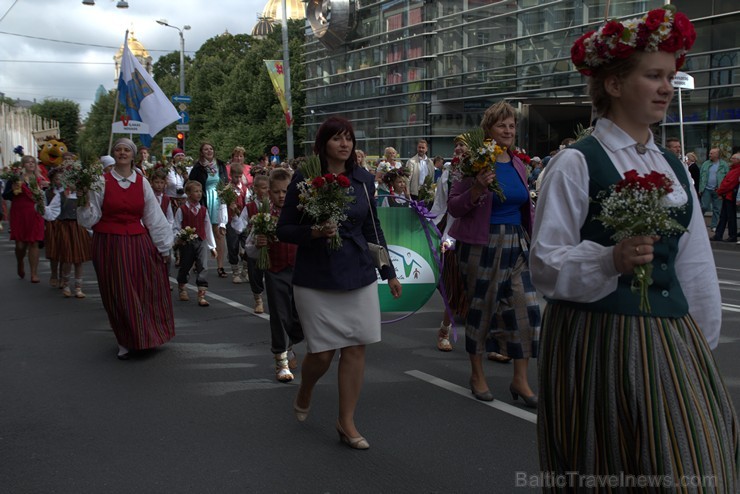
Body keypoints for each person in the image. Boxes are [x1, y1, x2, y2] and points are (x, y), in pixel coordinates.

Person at [530, 7, 738, 489]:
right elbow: (545, 264)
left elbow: (696, 264)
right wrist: (609, 258)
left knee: (698, 466)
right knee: (610, 465)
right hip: (597, 338)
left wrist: (700, 346)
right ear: (615, 84)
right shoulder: (575, 164)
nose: (667, 86)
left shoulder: (672, 166)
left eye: (670, 75)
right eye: (653, 75)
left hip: (670, 338)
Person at [277, 116, 401, 450]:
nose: (344, 144)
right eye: (336, 138)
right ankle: (306, 388)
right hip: (316, 275)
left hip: (357, 270)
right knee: (322, 354)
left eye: (348, 138)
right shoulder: (305, 177)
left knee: (357, 346)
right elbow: (283, 228)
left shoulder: (363, 180)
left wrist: (388, 271)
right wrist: (314, 232)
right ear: (323, 143)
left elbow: (372, 227)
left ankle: (345, 421)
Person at [447, 101, 539, 407]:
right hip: (482, 243)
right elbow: (454, 206)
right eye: (502, 125)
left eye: (512, 125)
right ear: (489, 130)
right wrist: (475, 189)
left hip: (517, 241)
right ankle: (477, 374)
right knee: (482, 308)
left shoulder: (518, 164)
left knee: (526, 310)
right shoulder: (472, 163)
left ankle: (520, 380)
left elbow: (525, 204)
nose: (509, 130)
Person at [77, 138, 175, 360]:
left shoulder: (142, 182)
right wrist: (84, 201)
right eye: (118, 149)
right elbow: (89, 219)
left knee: (144, 289)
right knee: (118, 294)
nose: (122, 153)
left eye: (126, 150)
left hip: (137, 242)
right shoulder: (100, 182)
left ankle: (146, 336)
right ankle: (124, 339)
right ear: (114, 154)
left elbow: (153, 216)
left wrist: (163, 247)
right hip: (109, 243)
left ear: (133, 156)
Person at [239, 167, 304, 382]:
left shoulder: (300, 214)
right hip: (276, 271)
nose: (281, 196)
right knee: (279, 316)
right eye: (276, 192)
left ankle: (291, 343)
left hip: (299, 270)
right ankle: (281, 360)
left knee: (300, 317)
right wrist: (259, 244)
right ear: (269, 193)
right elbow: (250, 248)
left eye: (286, 191)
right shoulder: (263, 216)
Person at [428, 136, 470, 352]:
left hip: (478, 232)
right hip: (453, 232)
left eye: (463, 145)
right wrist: (431, 224)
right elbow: (440, 204)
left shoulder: (484, 169)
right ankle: (444, 330)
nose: (458, 148)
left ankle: (492, 338)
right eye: (457, 145)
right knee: (454, 284)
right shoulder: (448, 172)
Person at [2, 155, 47, 282]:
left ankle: (34, 273)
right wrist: (13, 189)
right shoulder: (16, 178)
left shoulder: (40, 179)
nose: (31, 164)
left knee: (34, 242)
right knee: (20, 245)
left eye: (33, 162)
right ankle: (20, 261)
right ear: (23, 165)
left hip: (34, 212)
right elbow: (6, 195)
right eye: (28, 162)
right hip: (19, 213)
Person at [46, 175, 92, 299]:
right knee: (67, 258)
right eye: (70, 181)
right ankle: (65, 284)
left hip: (78, 227)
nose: (72, 184)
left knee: (78, 260)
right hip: (65, 227)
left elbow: (88, 211)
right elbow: (52, 211)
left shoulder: (82, 195)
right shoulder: (61, 195)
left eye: (75, 182)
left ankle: (78, 287)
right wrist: (41, 206)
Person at [174, 180, 218, 307]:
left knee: (203, 266)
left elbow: (208, 228)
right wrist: (179, 237)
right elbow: (176, 227)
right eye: (195, 191)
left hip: (201, 240)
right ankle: (182, 286)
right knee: (185, 265)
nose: (199, 194)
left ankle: (202, 294)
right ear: (188, 193)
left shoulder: (203, 210)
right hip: (187, 242)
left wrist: (212, 246)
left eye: (200, 191)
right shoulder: (182, 210)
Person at [188, 142, 228, 277]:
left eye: (211, 148)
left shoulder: (220, 165)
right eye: (206, 149)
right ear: (201, 152)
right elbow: (189, 184)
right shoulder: (198, 167)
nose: (209, 151)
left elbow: (226, 182)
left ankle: (220, 266)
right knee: (199, 232)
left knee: (219, 233)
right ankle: (196, 263)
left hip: (218, 200)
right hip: (204, 199)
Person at [245, 174, 270, 314]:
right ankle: (258, 300)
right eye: (263, 188)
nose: (266, 191)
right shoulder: (250, 207)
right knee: (255, 272)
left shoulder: (274, 205)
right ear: (255, 189)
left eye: (268, 188)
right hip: (255, 243)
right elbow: (240, 223)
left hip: (271, 244)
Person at [225, 161, 250, 284]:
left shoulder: (244, 189)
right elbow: (223, 206)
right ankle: (235, 271)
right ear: (231, 175)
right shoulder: (227, 189)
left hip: (244, 220)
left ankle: (245, 270)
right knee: (233, 246)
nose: (238, 179)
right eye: (236, 176)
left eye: (240, 176)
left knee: (247, 246)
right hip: (232, 221)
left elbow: (248, 204)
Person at [699, 147, 729, 231]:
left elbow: (727, 178)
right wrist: (700, 189)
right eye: (710, 153)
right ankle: (698, 222)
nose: (709, 155)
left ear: (717, 155)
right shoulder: (705, 164)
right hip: (706, 189)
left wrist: (724, 190)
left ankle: (714, 226)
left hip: (718, 190)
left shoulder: (723, 165)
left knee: (717, 209)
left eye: (711, 153)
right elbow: (701, 177)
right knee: (704, 206)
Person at [712, 152, 740, 242]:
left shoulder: (737, 170)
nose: (731, 159)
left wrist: (719, 191)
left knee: (730, 217)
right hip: (727, 195)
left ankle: (732, 235)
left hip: (730, 196)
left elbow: (730, 184)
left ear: (738, 160)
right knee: (724, 216)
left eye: (733, 158)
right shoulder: (733, 169)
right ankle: (719, 234)